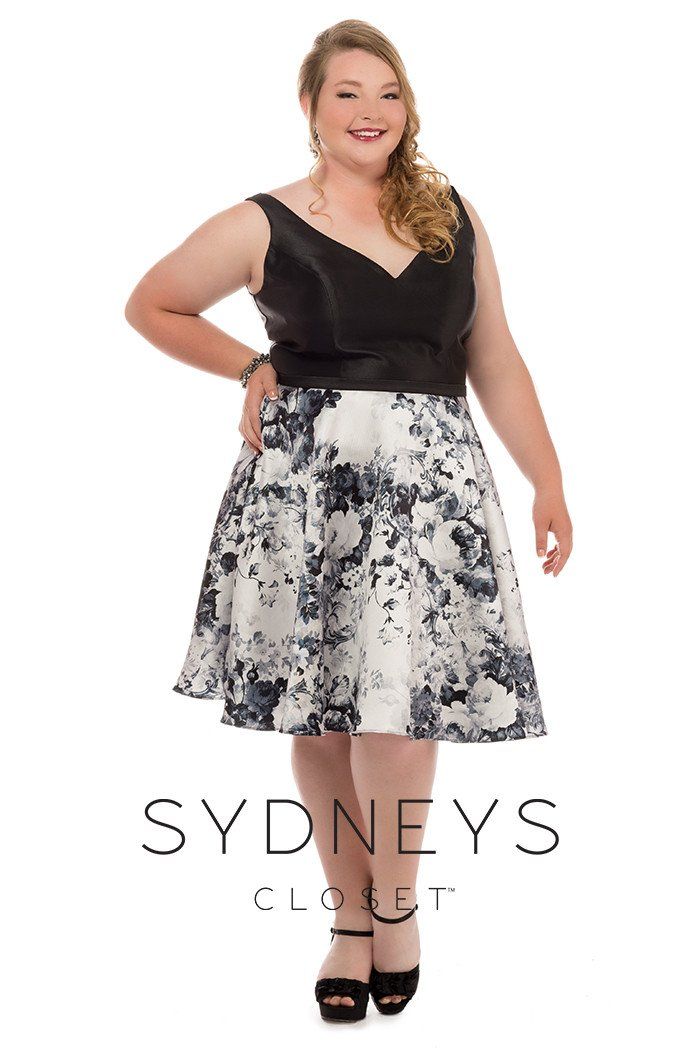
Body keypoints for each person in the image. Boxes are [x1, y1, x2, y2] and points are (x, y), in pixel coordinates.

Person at [125, 18, 572, 1023]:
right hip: (305, 490)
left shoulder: (451, 216)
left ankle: (397, 910)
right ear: (311, 107)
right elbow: (153, 304)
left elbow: (494, 357)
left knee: (399, 714)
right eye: (347, 93)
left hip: (429, 493)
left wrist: (547, 479)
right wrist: (249, 364)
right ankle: (349, 920)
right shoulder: (262, 223)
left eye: (387, 93)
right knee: (324, 716)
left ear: (406, 107)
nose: (370, 112)